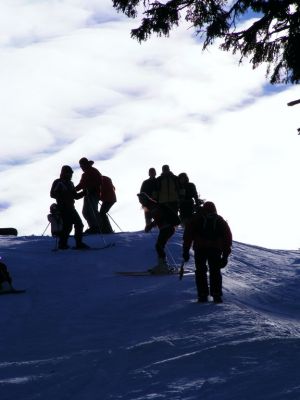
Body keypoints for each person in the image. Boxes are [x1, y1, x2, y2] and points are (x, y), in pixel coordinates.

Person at [182, 201, 232, 303]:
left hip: (200, 248)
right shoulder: (219, 220)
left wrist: (186, 251)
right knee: (215, 271)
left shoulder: (196, 219)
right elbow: (227, 238)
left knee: (200, 271)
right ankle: (216, 295)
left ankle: (202, 295)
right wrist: (225, 256)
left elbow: (188, 235)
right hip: (215, 249)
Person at [137, 192, 180, 274]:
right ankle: (162, 265)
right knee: (159, 246)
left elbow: (159, 217)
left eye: (141, 199)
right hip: (165, 228)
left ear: (146, 199)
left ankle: (163, 266)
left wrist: (150, 225)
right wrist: (150, 225)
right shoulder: (151, 206)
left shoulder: (154, 206)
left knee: (159, 246)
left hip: (167, 228)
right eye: (139, 200)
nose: (140, 201)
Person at [50, 165, 89, 250]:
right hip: (63, 207)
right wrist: (62, 195)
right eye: (69, 173)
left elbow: (75, 196)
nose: (71, 175)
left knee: (74, 225)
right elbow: (52, 194)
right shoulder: (58, 182)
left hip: (71, 207)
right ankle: (67, 244)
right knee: (70, 226)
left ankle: (67, 244)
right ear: (64, 173)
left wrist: (84, 192)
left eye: (71, 173)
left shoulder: (70, 183)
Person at [75, 157, 102, 234]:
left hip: (94, 194)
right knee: (86, 212)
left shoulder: (93, 171)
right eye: (81, 166)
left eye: (82, 165)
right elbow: (81, 184)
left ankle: (97, 228)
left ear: (86, 164)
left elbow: (99, 181)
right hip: (87, 194)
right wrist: (73, 190)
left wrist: (91, 188)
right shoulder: (84, 174)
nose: (81, 167)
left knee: (92, 211)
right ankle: (93, 227)